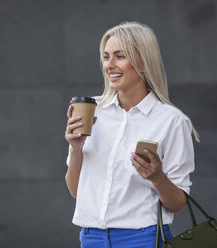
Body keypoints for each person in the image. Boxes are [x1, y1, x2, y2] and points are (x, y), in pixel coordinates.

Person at [64, 21, 198, 248]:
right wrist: (76, 148)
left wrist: (157, 177)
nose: (109, 65)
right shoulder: (92, 113)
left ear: (144, 62)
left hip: (143, 238)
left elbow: (177, 203)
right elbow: (76, 191)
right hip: (92, 238)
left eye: (120, 56)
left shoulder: (172, 121)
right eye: (106, 57)